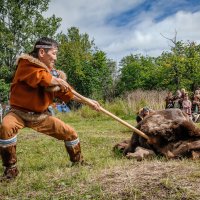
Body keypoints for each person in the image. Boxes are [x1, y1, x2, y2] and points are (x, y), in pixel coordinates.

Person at [0, 37, 101, 181]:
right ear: (42, 52)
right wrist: (57, 81)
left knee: (70, 133)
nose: (56, 58)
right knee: (6, 126)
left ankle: (78, 162)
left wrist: (88, 102)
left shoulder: (54, 74)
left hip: (40, 116)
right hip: (18, 113)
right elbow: (40, 78)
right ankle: (11, 169)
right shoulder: (26, 64)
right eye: (54, 53)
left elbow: (68, 93)